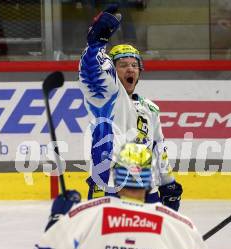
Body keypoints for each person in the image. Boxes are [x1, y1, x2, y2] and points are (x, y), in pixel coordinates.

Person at [34, 143, 213, 249]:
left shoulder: (87, 215)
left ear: (116, 179)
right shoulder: (175, 225)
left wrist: (57, 218)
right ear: (150, 181)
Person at [78, 7, 183, 210]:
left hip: (146, 189)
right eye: (123, 64)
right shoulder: (105, 99)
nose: (130, 69)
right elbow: (91, 72)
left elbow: (158, 147)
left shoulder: (151, 109)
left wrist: (168, 183)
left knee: (150, 241)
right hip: (111, 186)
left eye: (135, 65)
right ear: (112, 71)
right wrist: (95, 46)